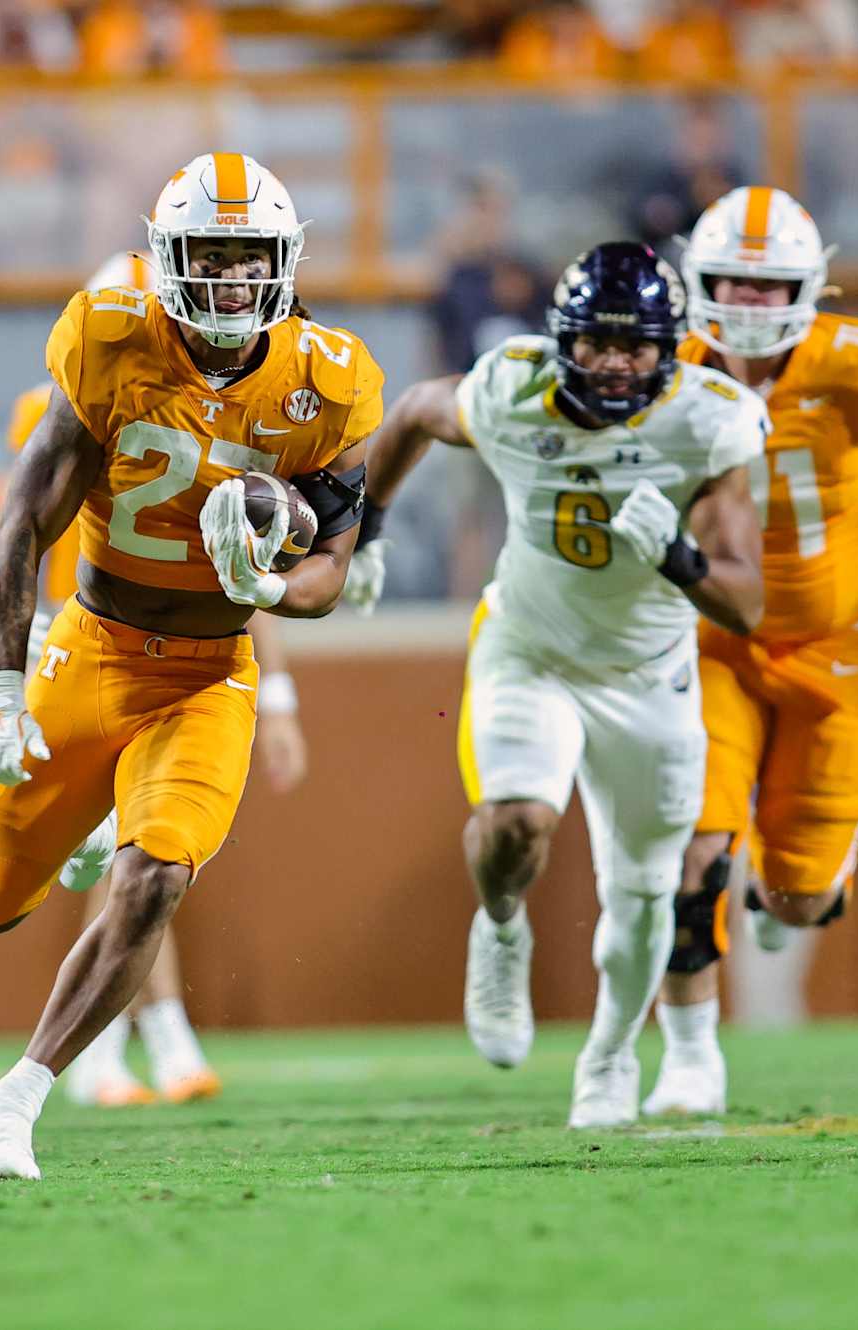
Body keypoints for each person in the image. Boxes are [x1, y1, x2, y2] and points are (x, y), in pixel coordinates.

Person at [0, 152, 384, 1179]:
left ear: (283, 264)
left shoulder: (328, 380)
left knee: (154, 879)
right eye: (209, 256)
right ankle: (74, 827)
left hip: (206, 671)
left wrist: (273, 589)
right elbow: (23, 521)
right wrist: (3, 689)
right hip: (90, 649)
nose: (231, 281)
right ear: (166, 261)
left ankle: (19, 1098)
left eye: (250, 259)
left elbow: (333, 561)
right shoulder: (110, 339)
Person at [345, 242, 768, 1128]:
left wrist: (681, 558)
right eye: (597, 344)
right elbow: (416, 412)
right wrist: (367, 530)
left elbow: (746, 604)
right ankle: (501, 928)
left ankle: (610, 1057)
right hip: (529, 648)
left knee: (647, 892)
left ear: (671, 348)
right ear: (563, 341)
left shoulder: (710, 421)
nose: (615, 364)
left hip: (651, 674)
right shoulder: (512, 389)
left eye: (637, 347)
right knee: (516, 819)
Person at [644, 187, 858, 1116]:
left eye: (769, 287)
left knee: (796, 899)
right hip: (710, 637)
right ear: (697, 279)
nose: (749, 306)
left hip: (839, 647)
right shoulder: (659, 365)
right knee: (694, 848)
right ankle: (688, 1056)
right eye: (731, 285)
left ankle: (778, 873)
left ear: (810, 285)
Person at [2, 251, 310, 1108]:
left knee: (140, 860)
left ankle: (148, 1039)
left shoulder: (231, 407)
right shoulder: (65, 398)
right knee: (107, 861)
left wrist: (275, 694)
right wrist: (9, 664)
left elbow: (237, 575)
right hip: (76, 643)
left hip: (177, 646)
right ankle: (132, 1044)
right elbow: (14, 531)